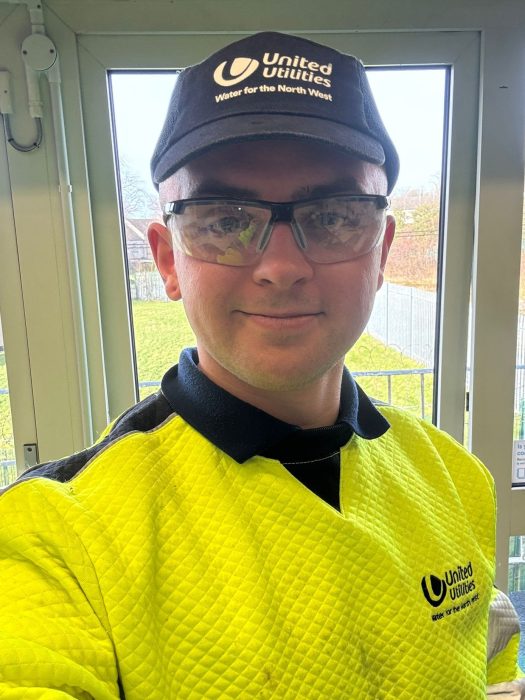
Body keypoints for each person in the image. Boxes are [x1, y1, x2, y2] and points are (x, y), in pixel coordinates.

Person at [0, 31, 523, 699]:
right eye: (223, 221)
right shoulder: (57, 538)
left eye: (333, 216)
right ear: (167, 259)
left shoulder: (454, 478)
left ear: (382, 250)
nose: (280, 267)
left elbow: (489, 674)